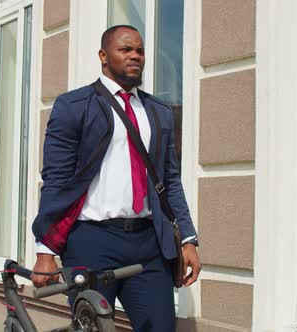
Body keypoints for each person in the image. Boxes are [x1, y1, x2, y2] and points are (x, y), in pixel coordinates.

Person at [31, 25, 201, 331]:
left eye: (140, 50)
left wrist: (188, 239)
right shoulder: (74, 106)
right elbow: (56, 181)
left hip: (148, 242)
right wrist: (46, 251)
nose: (135, 56)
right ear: (103, 56)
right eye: (125, 50)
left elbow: (170, 180)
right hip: (91, 241)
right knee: (93, 327)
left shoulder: (158, 111)